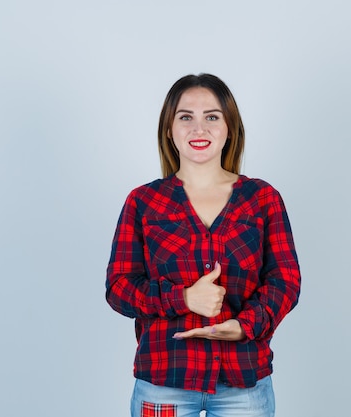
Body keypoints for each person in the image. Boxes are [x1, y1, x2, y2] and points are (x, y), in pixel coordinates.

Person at [106, 73, 301, 417]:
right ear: (169, 129)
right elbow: (119, 288)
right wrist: (183, 298)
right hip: (164, 381)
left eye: (212, 117)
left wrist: (245, 325)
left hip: (244, 383)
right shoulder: (144, 202)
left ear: (229, 128)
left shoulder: (262, 199)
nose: (200, 129)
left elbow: (285, 280)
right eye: (186, 117)